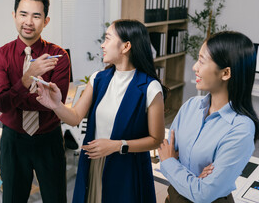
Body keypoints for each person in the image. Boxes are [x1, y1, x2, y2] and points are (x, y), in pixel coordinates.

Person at [36, 19, 166, 203]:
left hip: (127, 169)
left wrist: (117, 145)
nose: (103, 45)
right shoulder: (98, 79)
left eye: (107, 39)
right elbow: (74, 118)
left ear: (126, 46)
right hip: (94, 163)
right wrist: (56, 105)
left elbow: (156, 140)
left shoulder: (150, 87)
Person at [158, 31, 259, 203]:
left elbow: (203, 194)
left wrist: (171, 164)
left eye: (201, 61)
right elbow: (167, 153)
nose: (194, 67)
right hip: (174, 198)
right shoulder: (191, 106)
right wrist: (194, 180)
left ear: (226, 73)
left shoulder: (241, 128)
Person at [0, 0, 70, 203]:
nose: (29, 21)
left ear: (46, 20)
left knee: (56, 198)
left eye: (36, 16)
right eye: (23, 14)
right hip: (13, 141)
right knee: (13, 198)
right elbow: (2, 105)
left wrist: (16, 97)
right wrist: (28, 78)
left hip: (49, 139)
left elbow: (54, 103)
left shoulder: (58, 56)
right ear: (14, 15)